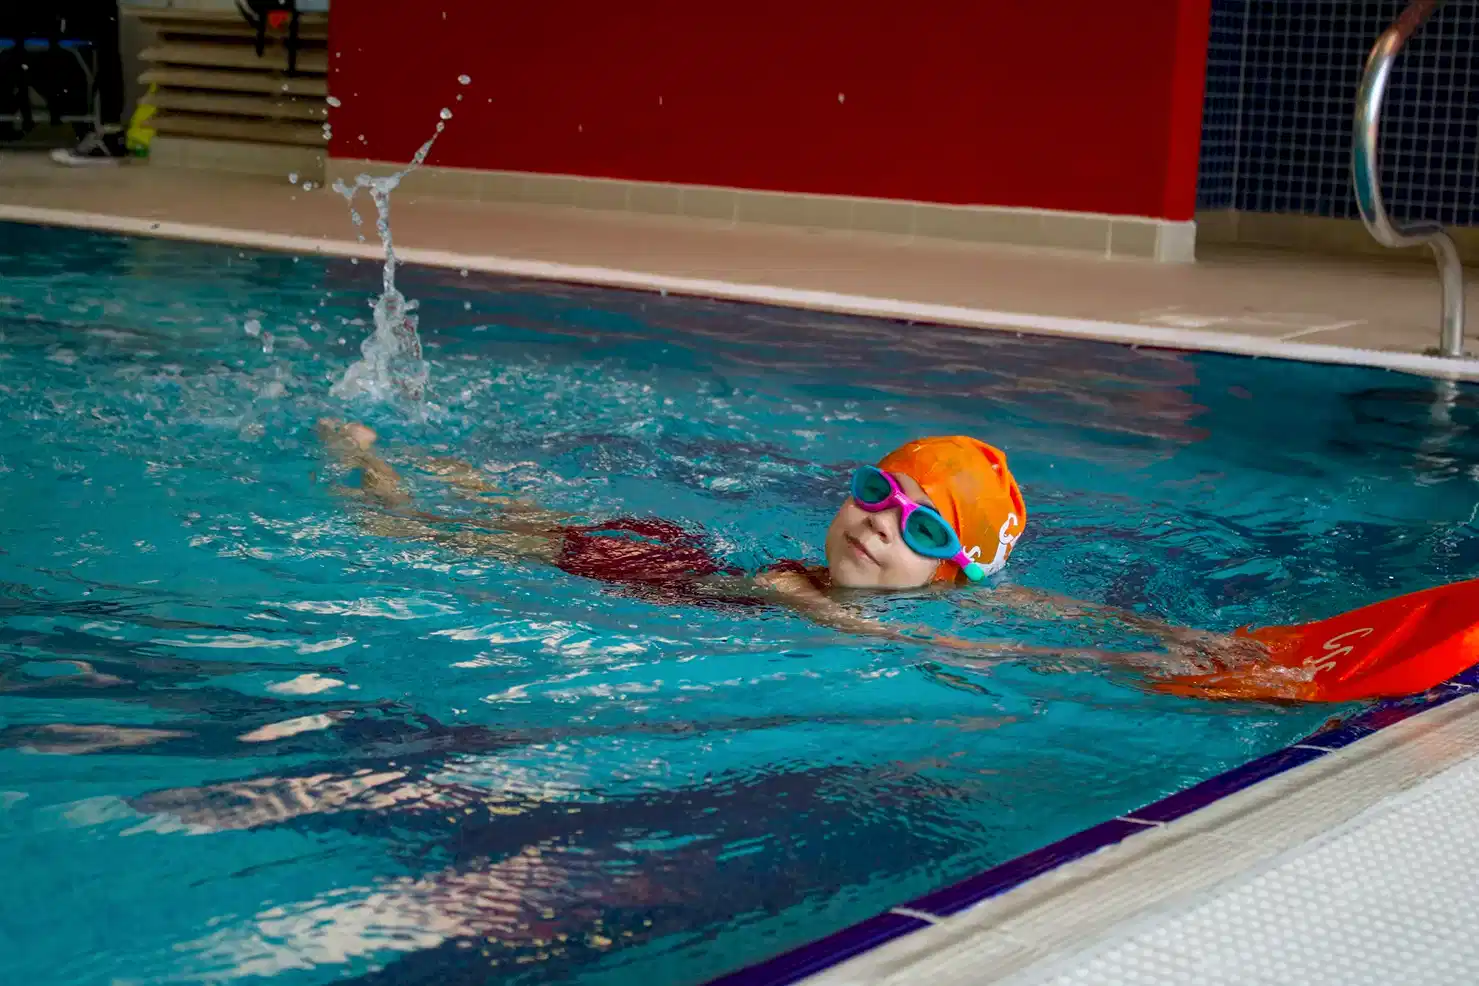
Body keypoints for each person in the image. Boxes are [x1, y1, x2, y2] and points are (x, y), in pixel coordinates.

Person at [315, 419, 1285, 692]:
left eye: (926, 529)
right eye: (877, 493)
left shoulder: (964, 598)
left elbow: (1028, 617)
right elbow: (949, 648)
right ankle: (374, 464)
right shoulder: (799, 587)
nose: (882, 524)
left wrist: (1175, 636)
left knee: (522, 511)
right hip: (634, 566)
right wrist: (1120, 672)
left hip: (667, 551)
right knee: (417, 531)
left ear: (957, 572)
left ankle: (419, 456)